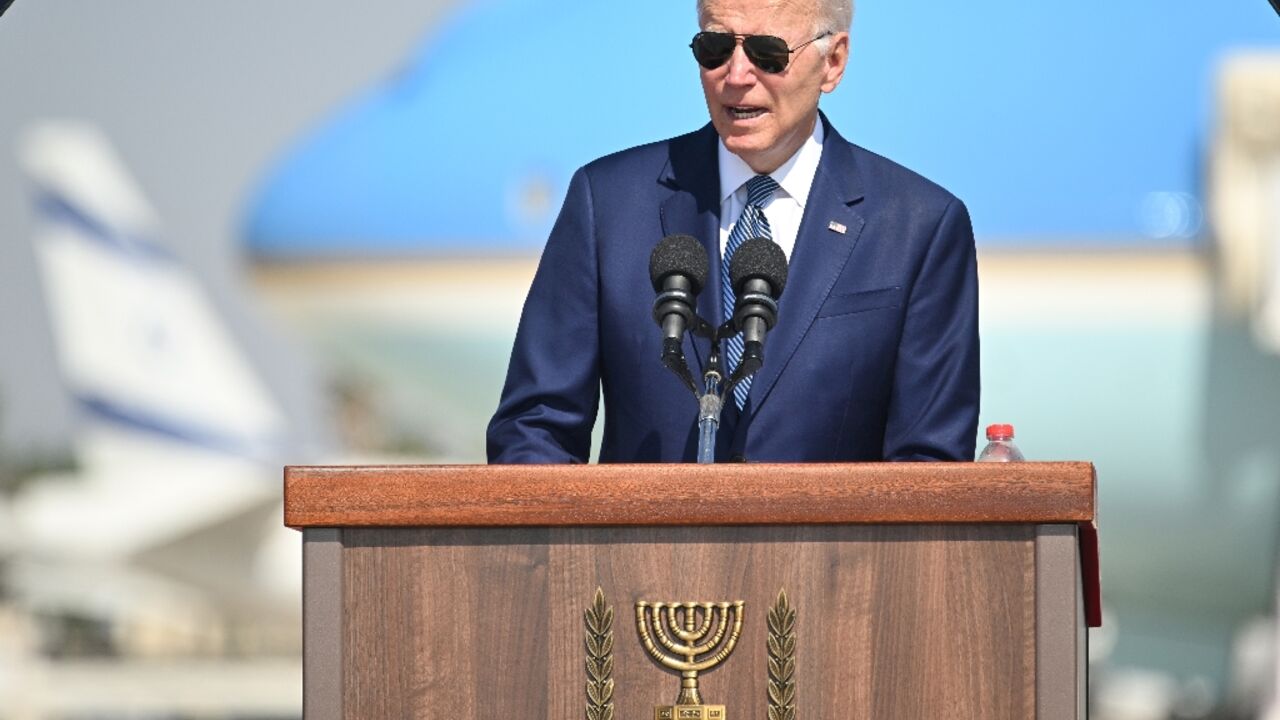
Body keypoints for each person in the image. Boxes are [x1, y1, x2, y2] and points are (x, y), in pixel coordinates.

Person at [487, 0, 979, 463]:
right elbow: (534, 429)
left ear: (834, 62)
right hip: (644, 554)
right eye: (716, 49)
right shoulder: (608, 203)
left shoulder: (920, 227)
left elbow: (929, 465)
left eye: (768, 54)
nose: (737, 76)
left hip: (835, 556)